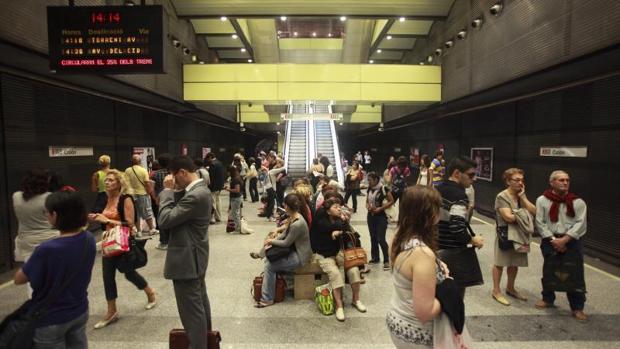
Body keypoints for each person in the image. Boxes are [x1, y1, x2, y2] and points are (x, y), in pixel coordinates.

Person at [13, 190, 96, 348]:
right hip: (79, 310)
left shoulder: (47, 249)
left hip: (51, 318)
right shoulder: (88, 239)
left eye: (47, 212)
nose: (46, 215)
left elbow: (19, 279)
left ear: (55, 216)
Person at [88, 169, 157, 329]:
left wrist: (106, 219)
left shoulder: (126, 199)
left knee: (128, 273)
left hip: (123, 240)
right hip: (108, 240)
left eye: (111, 180)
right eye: (106, 180)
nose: (107, 182)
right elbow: (100, 215)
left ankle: (150, 292)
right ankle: (111, 311)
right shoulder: (104, 198)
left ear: (119, 183)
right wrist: (95, 217)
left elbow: (129, 223)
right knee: (107, 276)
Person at [158, 156, 214, 347]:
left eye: (174, 176)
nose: (173, 180)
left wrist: (167, 191)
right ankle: (207, 341)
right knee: (199, 304)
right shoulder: (199, 191)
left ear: (182, 172)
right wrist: (175, 190)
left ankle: (199, 345)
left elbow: (165, 220)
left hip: (187, 261)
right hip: (195, 257)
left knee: (191, 312)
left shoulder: (196, 195)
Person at [386, 186, 446, 348]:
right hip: (416, 332)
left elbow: (408, 271)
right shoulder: (422, 254)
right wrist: (448, 297)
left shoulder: (398, 237)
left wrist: (438, 266)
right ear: (427, 214)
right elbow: (425, 312)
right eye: (437, 208)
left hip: (398, 319)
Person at [535, 170, 588, 321]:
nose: (565, 183)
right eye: (561, 180)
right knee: (549, 269)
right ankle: (547, 299)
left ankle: (577, 307)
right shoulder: (542, 200)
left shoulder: (578, 202)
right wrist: (554, 240)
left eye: (567, 180)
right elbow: (540, 222)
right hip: (550, 240)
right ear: (552, 182)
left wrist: (564, 240)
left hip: (572, 241)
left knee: (575, 273)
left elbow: (581, 224)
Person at [311, 197, 367, 322]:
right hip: (323, 254)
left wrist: (340, 229)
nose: (339, 209)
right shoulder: (320, 219)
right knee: (335, 274)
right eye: (335, 207)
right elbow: (326, 228)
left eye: (339, 207)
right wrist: (336, 229)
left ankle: (356, 300)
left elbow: (348, 232)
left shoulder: (339, 219)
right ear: (328, 211)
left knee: (354, 270)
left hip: (339, 252)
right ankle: (339, 306)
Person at [436, 156, 484, 299]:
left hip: (435, 250)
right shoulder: (460, 196)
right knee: (455, 299)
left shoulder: (436, 189)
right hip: (453, 254)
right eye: (471, 175)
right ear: (457, 173)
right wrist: (473, 239)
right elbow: (457, 229)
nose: (474, 179)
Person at [255, 194, 312, 307]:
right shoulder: (295, 216)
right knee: (268, 261)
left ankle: (267, 299)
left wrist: (271, 242)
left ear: (287, 207)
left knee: (269, 267)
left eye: (284, 205)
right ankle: (271, 290)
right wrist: (273, 239)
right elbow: (285, 234)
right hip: (295, 250)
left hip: (300, 256)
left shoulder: (297, 223)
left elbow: (286, 243)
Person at [491, 168, 536, 306]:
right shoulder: (502, 197)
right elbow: (508, 217)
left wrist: (523, 198)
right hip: (505, 233)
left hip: (520, 234)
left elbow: (534, 212)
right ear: (508, 181)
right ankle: (496, 290)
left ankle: (510, 288)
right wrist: (524, 214)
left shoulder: (520, 195)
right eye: (516, 180)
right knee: (500, 262)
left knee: (515, 262)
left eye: (522, 180)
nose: (520, 183)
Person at [12, 169, 59, 265]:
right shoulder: (49, 197)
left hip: (25, 242)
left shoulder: (16, 196)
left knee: (32, 271)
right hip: (50, 239)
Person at [366, 172, 394, 270]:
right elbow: (367, 201)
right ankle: (375, 257)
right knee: (372, 237)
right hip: (371, 215)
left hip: (381, 216)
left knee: (380, 238)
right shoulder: (369, 188)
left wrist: (380, 208)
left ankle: (386, 260)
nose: (368, 182)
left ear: (376, 180)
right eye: (368, 180)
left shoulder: (384, 188)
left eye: (370, 180)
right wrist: (368, 207)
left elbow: (391, 201)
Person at [124, 154, 158, 236]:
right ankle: (151, 229)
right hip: (142, 193)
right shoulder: (143, 170)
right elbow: (147, 182)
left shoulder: (127, 170)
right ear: (140, 161)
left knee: (136, 213)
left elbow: (125, 182)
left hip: (131, 194)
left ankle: (139, 231)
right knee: (147, 211)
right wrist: (150, 192)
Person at [152, 153, 171, 250]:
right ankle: (172, 239)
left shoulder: (155, 174)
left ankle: (164, 241)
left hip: (160, 199)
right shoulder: (172, 172)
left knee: (161, 219)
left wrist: (155, 198)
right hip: (172, 197)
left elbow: (152, 188)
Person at [225, 165, 248, 234]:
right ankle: (238, 227)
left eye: (228, 172)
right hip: (237, 198)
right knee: (235, 213)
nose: (227, 173)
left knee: (235, 214)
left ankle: (237, 229)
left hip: (236, 198)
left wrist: (228, 189)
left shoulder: (235, 179)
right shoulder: (238, 177)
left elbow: (237, 190)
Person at [205, 152, 226, 224]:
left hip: (213, 187)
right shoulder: (220, 163)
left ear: (210, 157)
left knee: (213, 202)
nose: (208, 161)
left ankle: (212, 218)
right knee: (218, 201)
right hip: (219, 186)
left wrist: (210, 186)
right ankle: (218, 217)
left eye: (208, 159)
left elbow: (211, 177)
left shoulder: (212, 164)